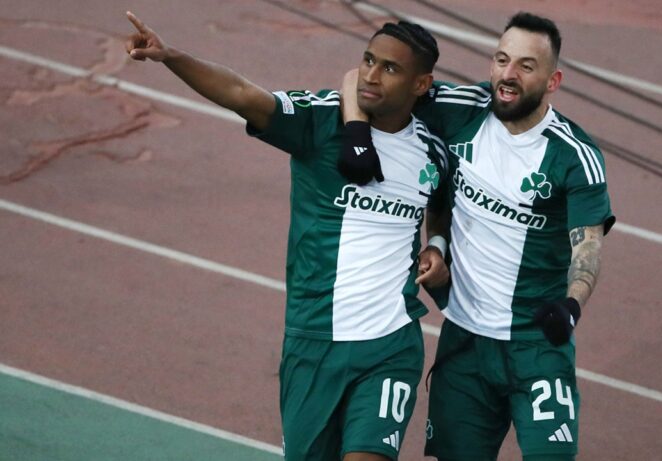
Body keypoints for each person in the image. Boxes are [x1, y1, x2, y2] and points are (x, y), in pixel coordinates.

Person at [125, 12, 450, 461]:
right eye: (368, 60)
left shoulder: (432, 150)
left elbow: (440, 203)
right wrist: (170, 56)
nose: (371, 75)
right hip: (312, 342)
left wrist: (437, 244)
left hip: (390, 343)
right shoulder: (318, 121)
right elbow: (241, 94)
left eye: (390, 68)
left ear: (421, 84)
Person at [341, 11, 615, 461]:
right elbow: (361, 82)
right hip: (465, 341)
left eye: (526, 66)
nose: (508, 75)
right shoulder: (460, 108)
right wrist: (356, 131)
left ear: (553, 81)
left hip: (536, 345)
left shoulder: (574, 156)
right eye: (502, 60)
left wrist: (571, 305)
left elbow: (587, 244)